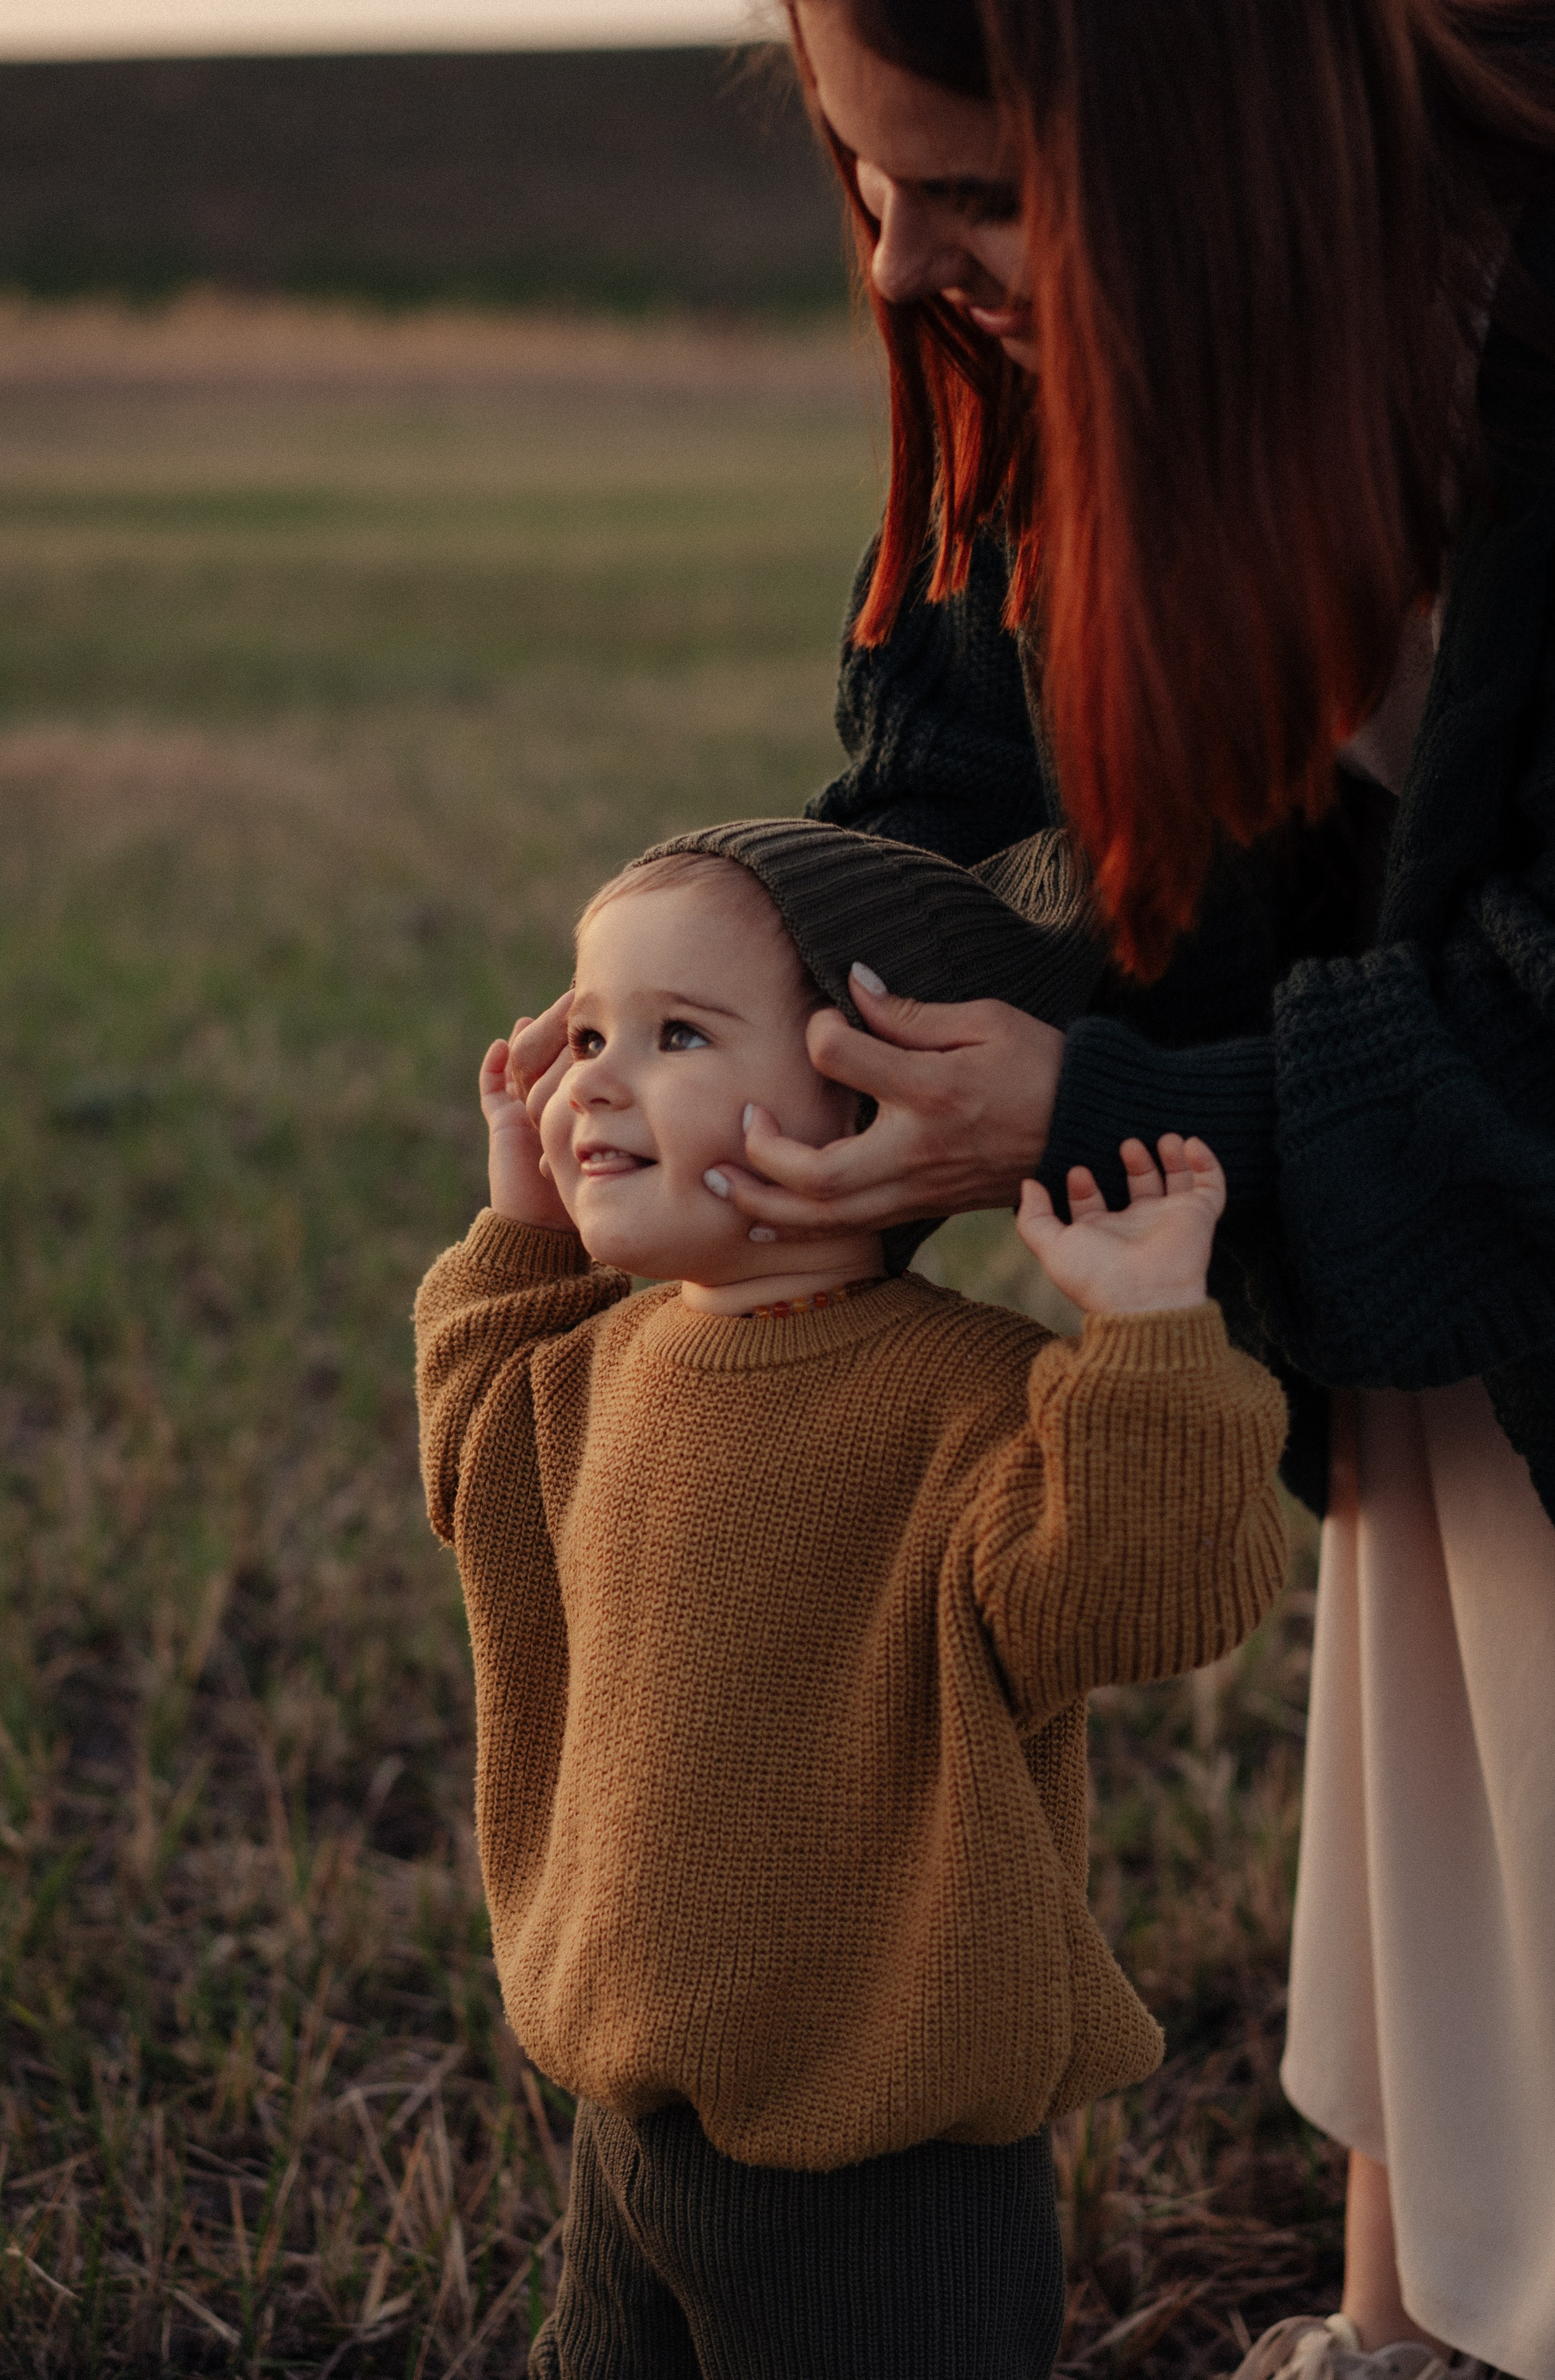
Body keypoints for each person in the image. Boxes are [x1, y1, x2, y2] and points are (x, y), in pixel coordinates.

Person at [677, 7, 1555, 2379]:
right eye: (863, 183)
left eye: (967, 197)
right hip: (1458, 1255)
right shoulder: (1116, 350)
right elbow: (969, 762)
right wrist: (764, 1005)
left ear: (1205, 148)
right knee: (1477, 1728)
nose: (896, 266)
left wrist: (1089, 1106)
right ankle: (1417, 2321)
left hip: (1524, 1160)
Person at [415, 824, 1289, 2376]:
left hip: (884, 2169)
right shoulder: (592, 1371)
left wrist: (1152, 1338)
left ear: (872, 1103)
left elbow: (1141, 1601)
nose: (594, 1082)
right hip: (633, 2118)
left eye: (676, 1036)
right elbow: (472, 1459)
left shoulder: (970, 1406)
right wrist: (524, 1232)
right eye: (588, 1031)